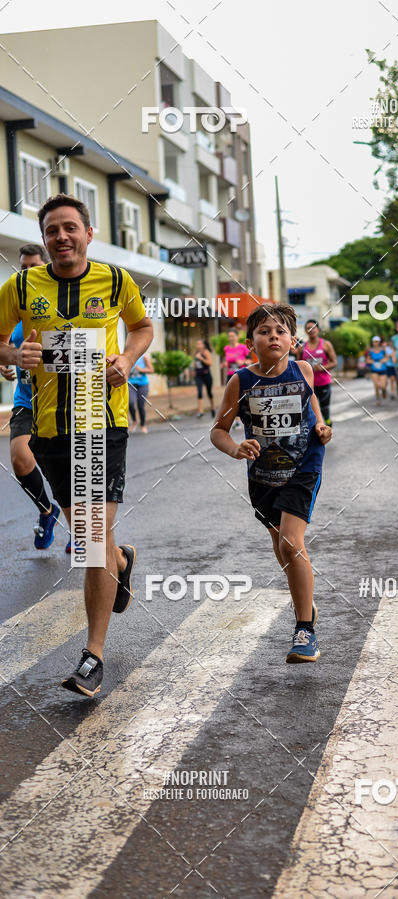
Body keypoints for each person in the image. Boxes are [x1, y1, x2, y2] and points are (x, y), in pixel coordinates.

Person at [0, 193, 153, 697]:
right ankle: (121, 561)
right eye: (52, 231)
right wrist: (13, 351)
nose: (61, 237)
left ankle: (94, 655)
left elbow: (142, 327)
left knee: (88, 540)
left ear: (88, 234)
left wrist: (127, 360)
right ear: (44, 241)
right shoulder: (21, 286)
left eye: (70, 228)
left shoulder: (115, 280)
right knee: (92, 538)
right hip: (47, 427)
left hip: (99, 421)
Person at [211, 303, 332, 663]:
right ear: (251, 342)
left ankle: (305, 630)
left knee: (292, 544)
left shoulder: (304, 370)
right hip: (262, 474)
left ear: (293, 340)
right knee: (282, 548)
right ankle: (305, 601)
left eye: (280, 331)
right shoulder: (241, 381)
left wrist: (322, 429)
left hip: (303, 468)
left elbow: (312, 410)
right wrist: (235, 448)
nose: (273, 336)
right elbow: (219, 431)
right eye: (264, 332)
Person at [0, 243, 67, 551]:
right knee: (20, 458)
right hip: (28, 400)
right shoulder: (14, 304)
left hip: (66, 399)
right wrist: (9, 361)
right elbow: (5, 348)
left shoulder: (60, 301)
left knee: (71, 467)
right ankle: (47, 511)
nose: (26, 272)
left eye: (33, 267)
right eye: (22, 267)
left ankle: (84, 533)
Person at [300, 319, 337, 425]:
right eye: (308, 328)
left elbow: (334, 362)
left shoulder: (326, 344)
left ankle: (328, 423)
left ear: (318, 329)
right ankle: (315, 429)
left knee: (324, 408)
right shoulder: (302, 347)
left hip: (323, 383)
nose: (311, 330)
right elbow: (298, 364)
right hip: (309, 385)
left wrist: (322, 367)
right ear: (306, 331)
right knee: (310, 410)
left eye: (313, 327)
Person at [128, 352, 153, 433]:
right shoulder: (127, 357)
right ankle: (134, 421)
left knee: (140, 405)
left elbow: (151, 370)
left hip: (143, 384)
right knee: (130, 403)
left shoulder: (144, 357)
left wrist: (140, 369)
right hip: (130, 384)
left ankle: (142, 425)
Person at [193, 339, 215, 417]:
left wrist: (201, 358)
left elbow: (210, 363)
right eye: (197, 344)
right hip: (198, 376)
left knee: (209, 393)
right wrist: (194, 369)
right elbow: (195, 363)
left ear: (204, 345)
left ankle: (212, 408)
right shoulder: (196, 353)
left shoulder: (206, 352)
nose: (198, 345)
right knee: (199, 392)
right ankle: (201, 411)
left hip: (206, 375)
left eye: (200, 344)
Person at [366, 336, 388, 406]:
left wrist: (383, 360)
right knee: (376, 385)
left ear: (379, 342)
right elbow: (367, 360)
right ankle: (378, 399)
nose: (375, 343)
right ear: (372, 342)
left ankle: (384, 390)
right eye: (374, 341)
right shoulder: (371, 351)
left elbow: (387, 358)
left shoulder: (383, 350)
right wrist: (371, 361)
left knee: (382, 385)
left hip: (383, 370)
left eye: (377, 341)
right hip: (374, 370)